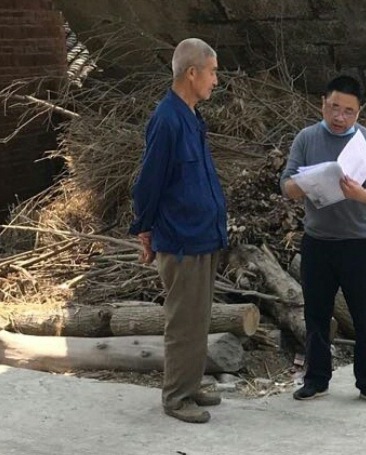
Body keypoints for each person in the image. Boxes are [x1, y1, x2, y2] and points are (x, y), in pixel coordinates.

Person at [129, 38, 227, 423]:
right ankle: (176, 398)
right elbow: (148, 183)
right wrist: (144, 227)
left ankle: (191, 383)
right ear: (192, 72)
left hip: (202, 235)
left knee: (198, 319)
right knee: (183, 322)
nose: (215, 80)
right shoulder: (166, 119)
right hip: (182, 239)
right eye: (212, 72)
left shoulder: (190, 116)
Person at [280, 75, 366, 406]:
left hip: (358, 243)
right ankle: (316, 379)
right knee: (315, 315)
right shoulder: (306, 138)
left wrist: (360, 194)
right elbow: (286, 184)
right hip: (318, 242)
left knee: (365, 318)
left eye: (348, 111)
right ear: (322, 103)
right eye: (333, 107)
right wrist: (306, 183)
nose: (339, 117)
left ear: (359, 112)